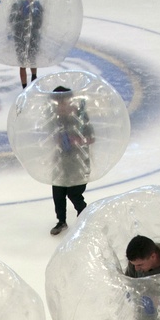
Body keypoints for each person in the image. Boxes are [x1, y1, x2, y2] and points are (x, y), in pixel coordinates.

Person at [50, 86, 94, 236]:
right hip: (61, 160)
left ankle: (84, 217)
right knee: (58, 193)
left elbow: (91, 138)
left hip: (78, 161)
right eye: (57, 103)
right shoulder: (54, 118)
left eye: (63, 102)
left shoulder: (80, 116)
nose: (60, 107)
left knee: (74, 193)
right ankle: (61, 221)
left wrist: (75, 141)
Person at [9, 0, 43, 89]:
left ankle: (33, 80)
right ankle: (25, 88)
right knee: (23, 63)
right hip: (21, 37)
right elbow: (12, 20)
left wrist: (33, 24)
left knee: (32, 60)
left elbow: (39, 22)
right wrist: (21, 23)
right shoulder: (18, 5)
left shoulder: (37, 6)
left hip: (33, 36)